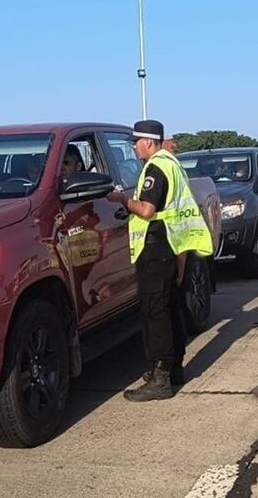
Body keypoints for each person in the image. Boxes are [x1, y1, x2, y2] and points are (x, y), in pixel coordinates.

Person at [106, 120, 214, 402]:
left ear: (149, 142)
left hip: (155, 247)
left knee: (156, 314)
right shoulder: (172, 163)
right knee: (170, 307)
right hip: (171, 245)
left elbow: (146, 209)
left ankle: (161, 377)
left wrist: (121, 199)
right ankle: (174, 368)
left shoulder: (155, 168)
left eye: (136, 141)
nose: (133, 146)